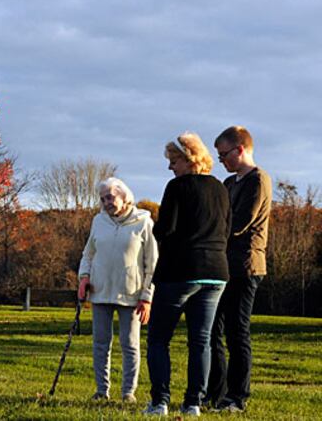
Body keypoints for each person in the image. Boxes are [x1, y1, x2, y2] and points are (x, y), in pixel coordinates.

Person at [144, 132, 231, 417]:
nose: (171, 167)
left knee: (158, 339)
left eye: (174, 160)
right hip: (216, 272)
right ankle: (193, 402)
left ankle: (160, 402)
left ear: (188, 158)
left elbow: (165, 230)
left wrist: (156, 225)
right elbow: (226, 229)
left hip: (180, 272)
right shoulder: (220, 188)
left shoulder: (177, 187)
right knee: (201, 340)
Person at [207, 126, 272, 413]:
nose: (222, 161)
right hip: (223, 264)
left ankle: (237, 397)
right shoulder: (229, 182)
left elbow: (240, 222)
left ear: (240, 149)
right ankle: (215, 394)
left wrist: (209, 234)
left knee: (237, 332)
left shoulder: (258, 180)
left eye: (224, 155)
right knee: (212, 330)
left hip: (246, 266)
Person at [78, 177, 158, 404]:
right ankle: (102, 391)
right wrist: (84, 277)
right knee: (100, 343)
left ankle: (128, 393)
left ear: (124, 196)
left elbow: (152, 263)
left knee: (129, 344)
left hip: (131, 294)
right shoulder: (98, 221)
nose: (106, 202)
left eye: (110, 197)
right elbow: (88, 254)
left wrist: (147, 296)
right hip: (100, 291)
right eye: (103, 199)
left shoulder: (143, 221)